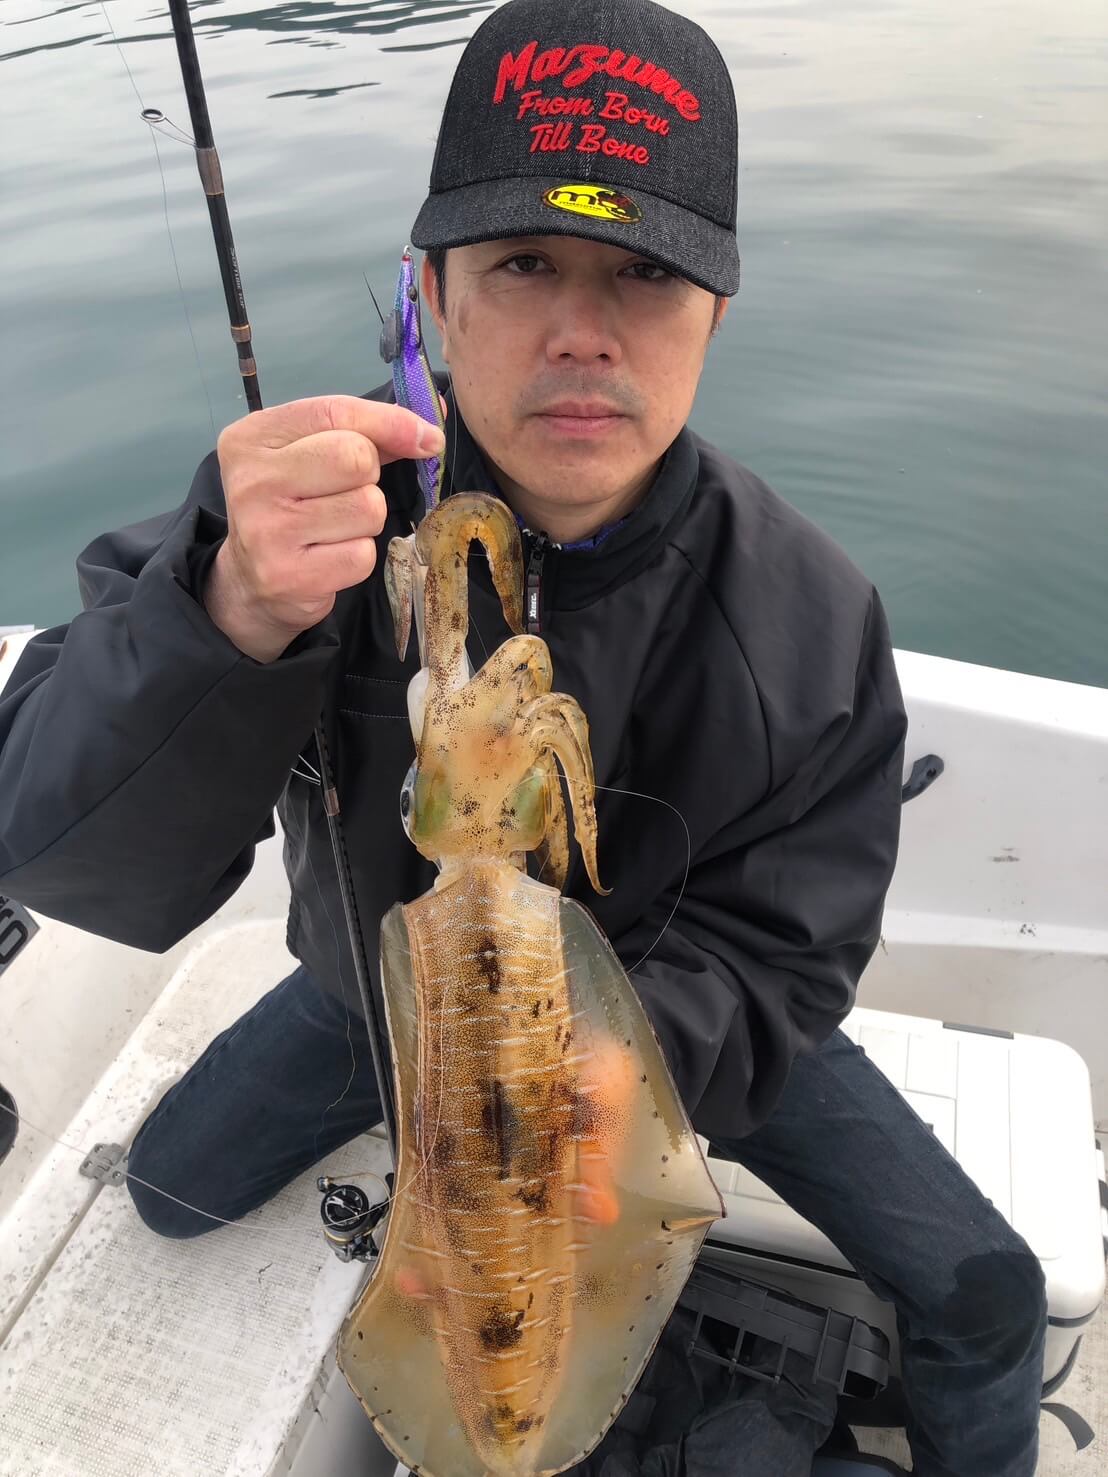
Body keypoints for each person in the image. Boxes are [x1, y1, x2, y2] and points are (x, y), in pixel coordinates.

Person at [0, 1, 1046, 1473]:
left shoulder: (807, 617)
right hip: (375, 998)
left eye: (647, 274)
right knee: (165, 1198)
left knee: (988, 1288)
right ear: (432, 291)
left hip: (647, 1046)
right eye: (524, 263)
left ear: (716, 314)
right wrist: (228, 614)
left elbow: (790, 955)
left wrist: (610, 1077)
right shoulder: (307, 527)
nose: (581, 333)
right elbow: (60, 851)